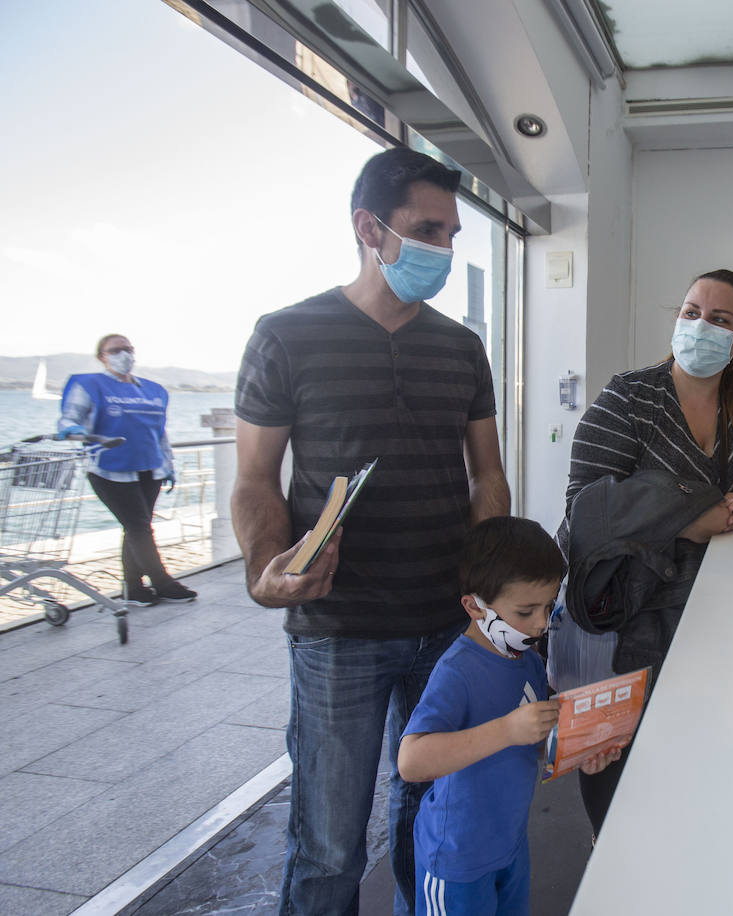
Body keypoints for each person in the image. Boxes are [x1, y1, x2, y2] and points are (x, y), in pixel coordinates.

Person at [233, 147, 511, 916]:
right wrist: (266, 570)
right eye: (428, 230)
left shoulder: (462, 347)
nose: (445, 250)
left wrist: (491, 583)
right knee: (328, 844)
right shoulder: (284, 336)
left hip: (444, 625)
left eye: (453, 234)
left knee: (432, 822)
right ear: (368, 227)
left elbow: (488, 474)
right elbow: (255, 479)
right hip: (337, 631)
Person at [560, 267, 733, 833]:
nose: (699, 326)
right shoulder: (631, 397)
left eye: (718, 319)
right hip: (635, 613)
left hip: (726, 611)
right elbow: (583, 507)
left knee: (703, 752)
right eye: (690, 313)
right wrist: (686, 517)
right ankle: (611, 857)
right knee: (625, 761)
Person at [398, 517, 620, 916]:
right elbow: (411, 762)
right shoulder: (456, 672)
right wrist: (507, 730)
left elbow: (531, 742)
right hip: (457, 860)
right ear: (474, 606)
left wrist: (578, 749)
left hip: (510, 843)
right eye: (525, 611)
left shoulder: (528, 661)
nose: (540, 622)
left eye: (549, 606)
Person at [57, 334, 197, 607]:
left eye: (128, 349)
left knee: (134, 528)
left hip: (149, 469)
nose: (124, 354)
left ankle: (133, 589)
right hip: (109, 470)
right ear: (102, 357)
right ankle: (163, 583)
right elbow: (70, 418)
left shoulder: (153, 391)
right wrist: (73, 431)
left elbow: (159, 433)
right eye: (115, 350)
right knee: (138, 526)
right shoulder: (89, 386)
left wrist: (168, 465)